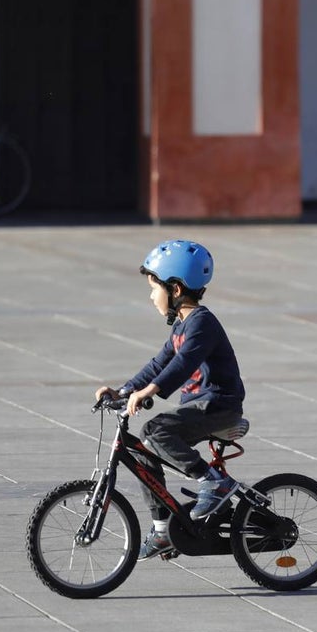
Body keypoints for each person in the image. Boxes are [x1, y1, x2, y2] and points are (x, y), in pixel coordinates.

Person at [95, 239, 245, 560]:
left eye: (154, 289)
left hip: (219, 405)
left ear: (175, 289)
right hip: (200, 406)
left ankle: (213, 481)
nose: (151, 297)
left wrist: (151, 391)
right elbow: (158, 364)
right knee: (145, 450)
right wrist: (123, 391)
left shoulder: (202, 323)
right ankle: (163, 529)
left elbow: (183, 363)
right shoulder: (180, 325)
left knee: (154, 431)